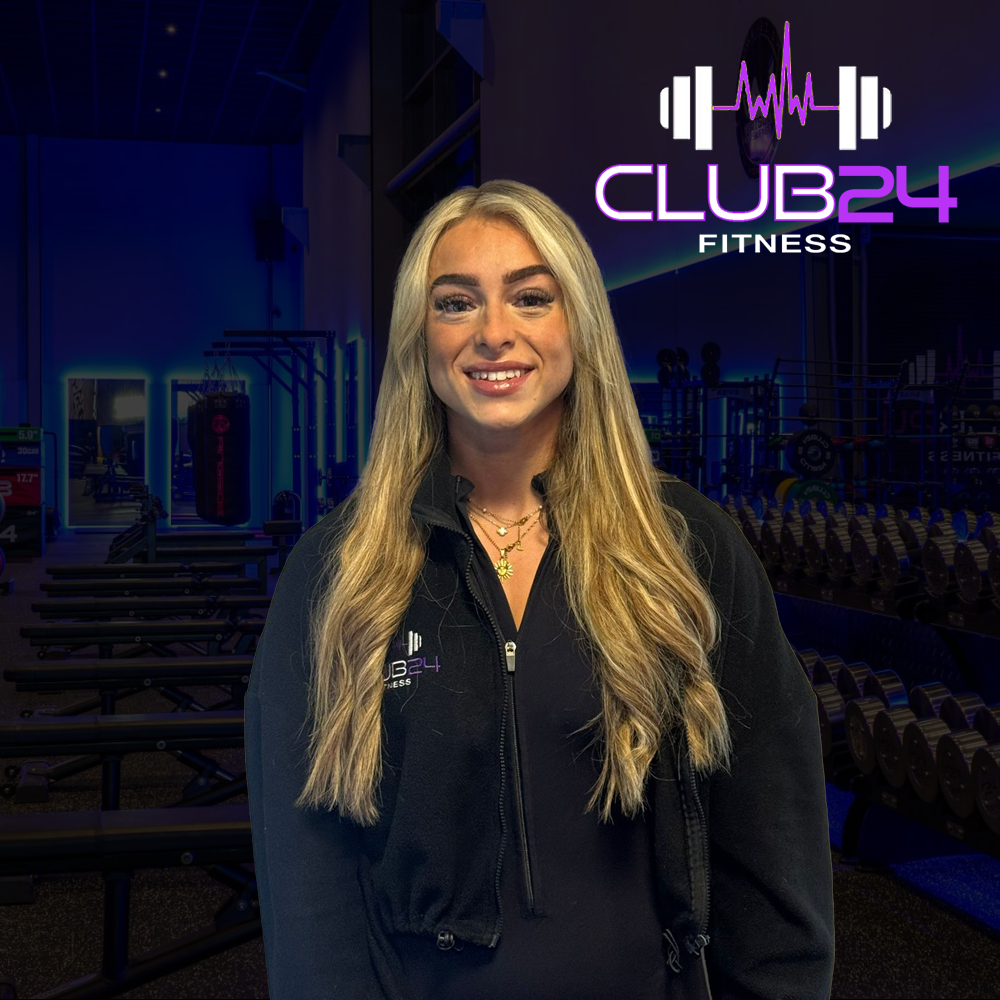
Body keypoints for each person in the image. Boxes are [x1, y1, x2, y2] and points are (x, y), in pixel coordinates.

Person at [245, 180, 835, 1000]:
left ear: (579, 325)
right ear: (421, 337)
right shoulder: (338, 570)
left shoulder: (686, 547)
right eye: (456, 303)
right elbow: (309, 881)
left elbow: (772, 842)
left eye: (530, 296)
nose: (494, 333)